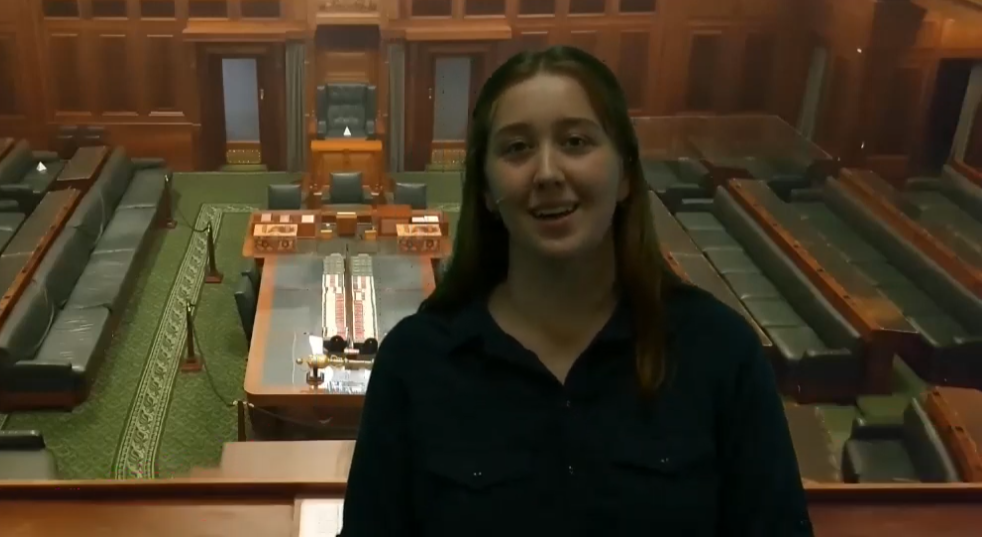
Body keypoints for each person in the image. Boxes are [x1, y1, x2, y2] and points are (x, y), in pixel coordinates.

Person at [339, 46, 812, 537]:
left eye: (576, 141)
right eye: (517, 148)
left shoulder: (719, 352)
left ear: (625, 173)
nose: (547, 173)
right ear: (485, 190)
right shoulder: (415, 362)